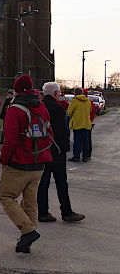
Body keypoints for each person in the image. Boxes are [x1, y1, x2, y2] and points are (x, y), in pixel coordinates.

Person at [0, 74, 53, 253]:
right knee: (30, 202)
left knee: (6, 196)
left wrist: (3, 160)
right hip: (40, 161)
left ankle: (28, 231)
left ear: (17, 90)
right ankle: (26, 241)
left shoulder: (15, 109)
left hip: (20, 162)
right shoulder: (41, 106)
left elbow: (10, 140)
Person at [37, 82, 85, 223]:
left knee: (43, 183)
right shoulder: (57, 108)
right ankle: (66, 211)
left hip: (42, 150)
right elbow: (62, 131)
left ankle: (42, 212)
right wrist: (65, 148)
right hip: (56, 150)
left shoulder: (39, 106)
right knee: (61, 183)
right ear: (56, 93)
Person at [67, 88, 92, 162]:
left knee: (77, 141)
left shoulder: (74, 101)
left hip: (77, 123)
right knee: (85, 141)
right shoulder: (88, 101)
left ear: (75, 93)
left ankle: (77, 156)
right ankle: (85, 156)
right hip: (86, 123)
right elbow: (90, 111)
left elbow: (69, 112)